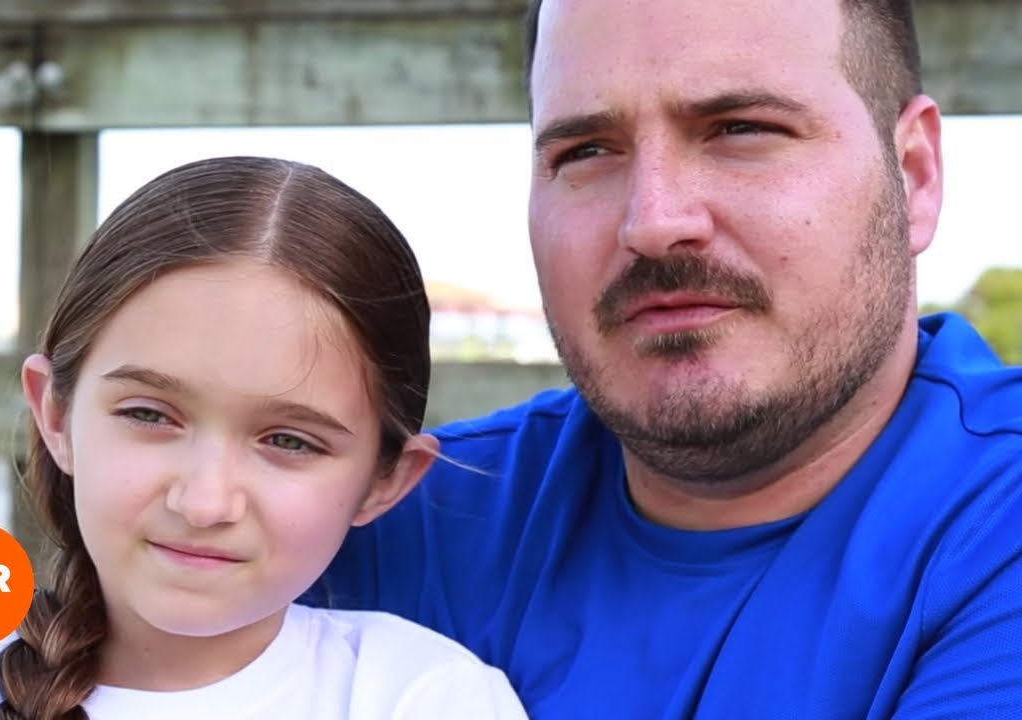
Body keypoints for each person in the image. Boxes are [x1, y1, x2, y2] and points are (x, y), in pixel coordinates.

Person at [316, 0, 1022, 717]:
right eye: (585, 151)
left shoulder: (995, 526)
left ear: (914, 175)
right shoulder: (377, 523)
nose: (653, 222)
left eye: (741, 129)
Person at [0, 156, 529, 720]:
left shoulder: (426, 699)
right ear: (54, 414)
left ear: (386, 480)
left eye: (289, 442)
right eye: (149, 415)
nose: (204, 503)